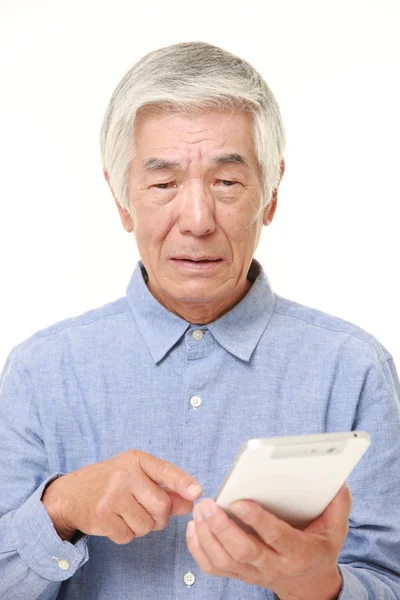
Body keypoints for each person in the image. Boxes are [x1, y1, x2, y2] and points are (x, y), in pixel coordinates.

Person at [0, 41, 399, 600]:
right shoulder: (39, 372)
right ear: (121, 199)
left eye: (226, 182)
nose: (197, 220)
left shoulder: (353, 369)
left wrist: (313, 584)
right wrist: (61, 507)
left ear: (272, 193)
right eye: (164, 184)